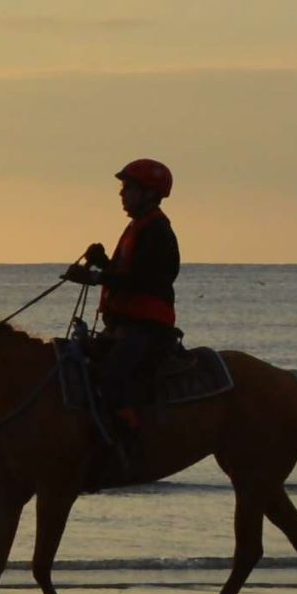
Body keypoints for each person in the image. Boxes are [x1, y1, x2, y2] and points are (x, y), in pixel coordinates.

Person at [65, 159, 181, 456]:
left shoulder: (157, 230)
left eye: (128, 187)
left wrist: (94, 277)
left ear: (149, 193)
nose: (122, 193)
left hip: (146, 328)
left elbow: (144, 279)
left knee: (111, 376)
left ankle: (129, 442)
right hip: (125, 325)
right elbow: (127, 274)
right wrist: (103, 263)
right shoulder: (139, 227)